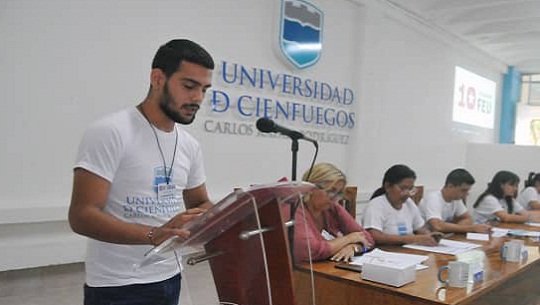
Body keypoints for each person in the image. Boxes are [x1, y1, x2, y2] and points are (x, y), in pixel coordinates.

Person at [68, 39, 215, 305]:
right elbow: (81, 215)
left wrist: (218, 214)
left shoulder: (190, 146)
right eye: (189, 86)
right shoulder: (111, 132)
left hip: (171, 276)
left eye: (204, 89)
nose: (198, 98)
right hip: (117, 285)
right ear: (158, 78)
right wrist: (153, 234)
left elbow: (199, 203)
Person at [292, 163, 374, 262]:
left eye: (339, 193)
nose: (335, 198)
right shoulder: (296, 208)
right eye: (330, 191)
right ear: (310, 188)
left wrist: (353, 247)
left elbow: (368, 238)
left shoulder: (332, 207)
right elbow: (311, 251)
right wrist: (349, 239)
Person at [362, 164, 442, 246]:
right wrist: (414, 239)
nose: (407, 194)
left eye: (410, 189)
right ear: (388, 186)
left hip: (409, 250)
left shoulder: (409, 203)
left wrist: (429, 236)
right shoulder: (375, 205)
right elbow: (375, 236)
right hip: (386, 252)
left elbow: (420, 228)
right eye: (403, 188)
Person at [418, 168, 491, 234]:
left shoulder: (456, 198)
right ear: (450, 186)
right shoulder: (433, 198)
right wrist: (471, 228)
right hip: (423, 238)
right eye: (463, 190)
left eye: (468, 190)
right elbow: (438, 226)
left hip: (443, 237)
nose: (466, 194)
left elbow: (468, 218)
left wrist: (455, 228)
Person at [473, 170, 540, 224]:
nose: (515, 189)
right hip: (479, 234)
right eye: (512, 185)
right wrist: (527, 218)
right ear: (501, 185)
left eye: (516, 186)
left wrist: (528, 216)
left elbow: (525, 213)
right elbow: (506, 217)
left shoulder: (509, 199)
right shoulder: (489, 199)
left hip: (496, 230)